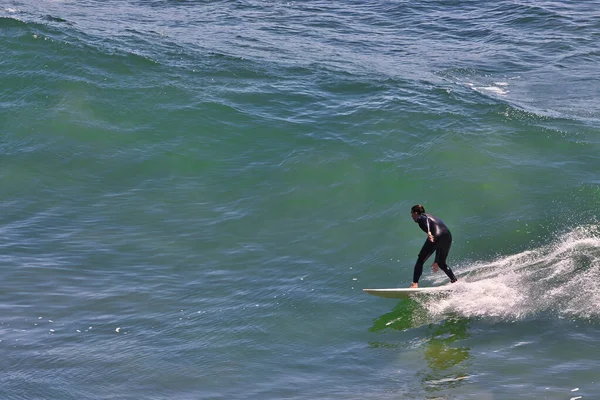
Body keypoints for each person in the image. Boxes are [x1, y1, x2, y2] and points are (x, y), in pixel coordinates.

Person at [409, 204, 457, 288]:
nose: (411, 215)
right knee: (441, 263)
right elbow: (439, 245)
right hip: (447, 236)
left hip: (436, 235)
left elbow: (425, 220)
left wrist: (429, 232)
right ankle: (454, 280)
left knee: (420, 260)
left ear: (416, 213)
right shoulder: (431, 216)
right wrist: (436, 261)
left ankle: (415, 283)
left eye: (412, 213)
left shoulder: (422, 217)